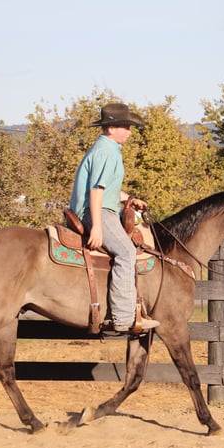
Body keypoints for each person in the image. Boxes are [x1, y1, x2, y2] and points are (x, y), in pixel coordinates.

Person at [69, 103, 160, 333]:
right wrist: (97, 227)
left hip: (102, 208)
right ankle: (122, 318)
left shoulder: (106, 149)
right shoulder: (107, 152)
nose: (129, 131)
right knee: (127, 252)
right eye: (125, 126)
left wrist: (128, 197)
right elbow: (96, 191)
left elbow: (106, 189)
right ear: (111, 127)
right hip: (96, 211)